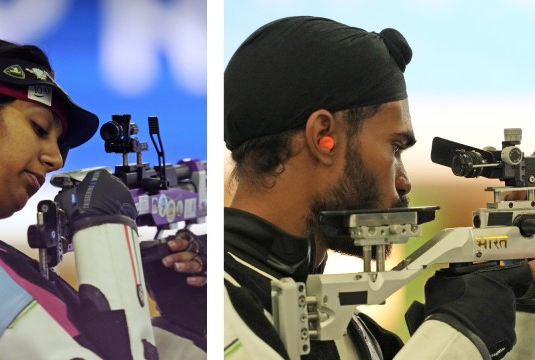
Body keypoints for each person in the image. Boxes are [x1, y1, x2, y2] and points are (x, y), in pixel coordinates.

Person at [223, 16, 535, 360]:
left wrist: (515, 306)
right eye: (395, 148)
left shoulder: (352, 331)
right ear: (323, 138)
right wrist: (456, 337)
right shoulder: (219, 304)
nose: (404, 180)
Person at [0, 37, 205, 359]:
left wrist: (187, 327)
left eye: (61, 145)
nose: (56, 159)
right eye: (40, 128)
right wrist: (107, 233)